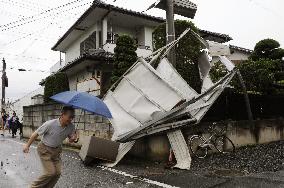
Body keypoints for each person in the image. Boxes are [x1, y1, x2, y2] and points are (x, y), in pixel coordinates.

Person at [23, 106, 78, 188]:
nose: (71, 119)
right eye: (69, 117)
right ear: (62, 115)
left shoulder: (71, 126)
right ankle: (33, 187)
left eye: (72, 117)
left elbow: (71, 139)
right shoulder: (50, 124)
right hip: (44, 149)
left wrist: (74, 139)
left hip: (56, 151)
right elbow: (36, 134)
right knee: (50, 172)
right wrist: (27, 145)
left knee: (57, 173)